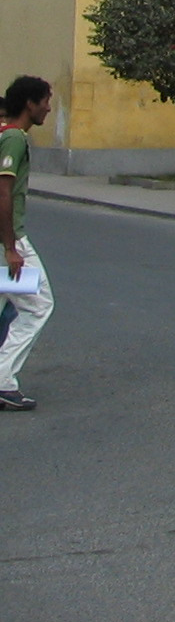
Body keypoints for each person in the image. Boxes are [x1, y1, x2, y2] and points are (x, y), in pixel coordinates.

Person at [0, 75, 56, 411]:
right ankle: (4, 381)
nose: (49, 108)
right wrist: (11, 248)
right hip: (12, 243)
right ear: (30, 104)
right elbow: (3, 193)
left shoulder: (6, 136)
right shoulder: (15, 140)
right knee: (37, 305)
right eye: (46, 101)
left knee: (17, 305)